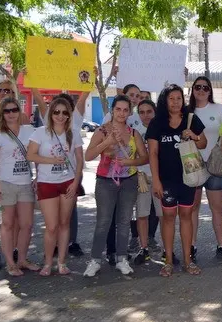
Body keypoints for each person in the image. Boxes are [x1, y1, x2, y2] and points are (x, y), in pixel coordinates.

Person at [83, 95, 148, 277]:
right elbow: (88, 156)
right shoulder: (102, 131)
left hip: (129, 181)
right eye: (118, 109)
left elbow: (145, 157)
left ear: (130, 112)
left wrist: (129, 162)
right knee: (103, 222)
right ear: (112, 110)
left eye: (125, 110)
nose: (121, 113)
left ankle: (121, 259)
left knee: (124, 221)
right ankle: (95, 259)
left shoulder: (134, 133)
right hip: (105, 181)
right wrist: (107, 142)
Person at [147, 85, 207, 277]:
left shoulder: (191, 119)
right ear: (165, 101)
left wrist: (194, 136)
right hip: (166, 181)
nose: (175, 102)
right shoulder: (157, 123)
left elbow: (203, 143)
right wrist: (156, 181)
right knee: (169, 218)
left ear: (183, 100)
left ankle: (188, 261)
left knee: (187, 216)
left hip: (188, 179)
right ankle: (169, 262)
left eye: (178, 98)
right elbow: (153, 154)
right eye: (171, 98)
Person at [27, 97, 83, 276]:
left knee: (64, 223)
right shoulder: (40, 133)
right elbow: (30, 155)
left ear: (69, 115)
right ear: (51, 113)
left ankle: (62, 262)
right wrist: (50, 160)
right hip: (47, 183)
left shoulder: (74, 133)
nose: (60, 115)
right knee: (51, 226)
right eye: (56, 112)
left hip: (68, 182)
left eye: (65, 112)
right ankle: (47, 262)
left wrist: (76, 182)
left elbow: (80, 160)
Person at [0, 98, 38, 275]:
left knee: (27, 224)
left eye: (14, 110)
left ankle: (22, 259)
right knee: (8, 224)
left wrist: (38, 177)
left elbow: (37, 154)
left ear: (19, 110)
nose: (11, 114)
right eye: (7, 111)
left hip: (25, 182)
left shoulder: (29, 130)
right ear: (2, 114)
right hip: (6, 184)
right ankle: (11, 263)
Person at [188, 76, 222, 261]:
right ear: (193, 89)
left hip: (215, 165)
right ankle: (191, 245)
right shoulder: (185, 111)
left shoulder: (219, 109)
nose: (201, 90)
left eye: (205, 87)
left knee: (218, 208)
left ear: (210, 90)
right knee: (192, 209)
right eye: (198, 87)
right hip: (192, 165)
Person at [131, 99, 161, 265]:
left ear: (154, 112)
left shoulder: (161, 128)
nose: (145, 115)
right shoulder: (134, 131)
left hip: (159, 178)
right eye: (141, 112)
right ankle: (144, 249)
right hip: (141, 178)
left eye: (149, 111)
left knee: (164, 216)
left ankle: (167, 251)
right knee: (142, 215)